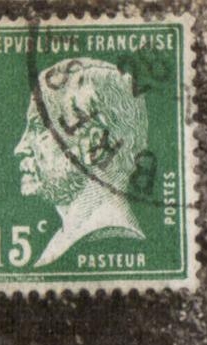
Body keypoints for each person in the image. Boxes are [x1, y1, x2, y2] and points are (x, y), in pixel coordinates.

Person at [14, 58, 148, 267]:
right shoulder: (66, 239)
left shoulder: (105, 239)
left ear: (94, 144)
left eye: (39, 128)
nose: (20, 148)